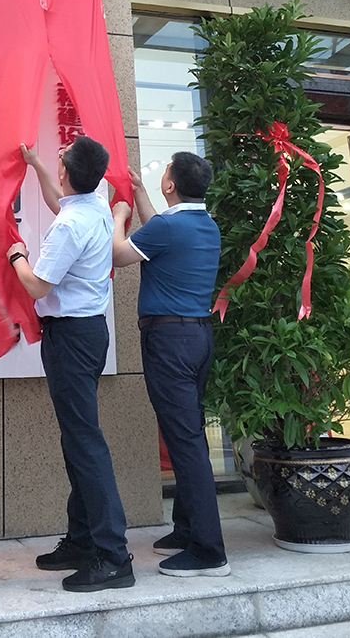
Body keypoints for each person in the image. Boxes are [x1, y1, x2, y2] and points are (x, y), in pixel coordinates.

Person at [7, 136, 134, 593]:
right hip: (89, 333)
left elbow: (38, 286)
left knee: (84, 442)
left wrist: (16, 255)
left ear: (68, 172)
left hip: (71, 339)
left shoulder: (70, 225)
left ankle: (113, 556)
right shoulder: (93, 205)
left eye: (60, 160)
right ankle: (83, 540)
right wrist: (36, 164)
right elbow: (57, 199)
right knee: (77, 439)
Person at [111, 152, 230, 578]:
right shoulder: (204, 225)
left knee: (185, 441)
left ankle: (209, 550)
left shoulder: (167, 227)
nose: (160, 176)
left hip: (169, 341)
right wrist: (140, 192)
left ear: (171, 186)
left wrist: (119, 215)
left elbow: (119, 254)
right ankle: (187, 528)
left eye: (163, 173)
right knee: (188, 433)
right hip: (196, 338)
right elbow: (157, 232)